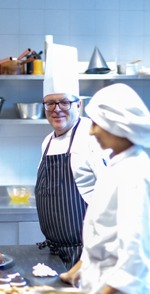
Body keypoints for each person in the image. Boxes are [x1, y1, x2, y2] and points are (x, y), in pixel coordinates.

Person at [60, 83, 150, 294]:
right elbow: (103, 231)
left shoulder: (136, 174)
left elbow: (134, 258)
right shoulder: (118, 166)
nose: (92, 131)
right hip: (106, 290)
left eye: (97, 123)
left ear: (119, 126)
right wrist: (77, 270)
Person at [35, 43, 106, 270]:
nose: (57, 109)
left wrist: (87, 258)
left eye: (64, 101)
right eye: (50, 103)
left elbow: (109, 205)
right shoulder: (47, 142)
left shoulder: (92, 138)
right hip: (54, 253)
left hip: (86, 256)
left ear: (79, 104)